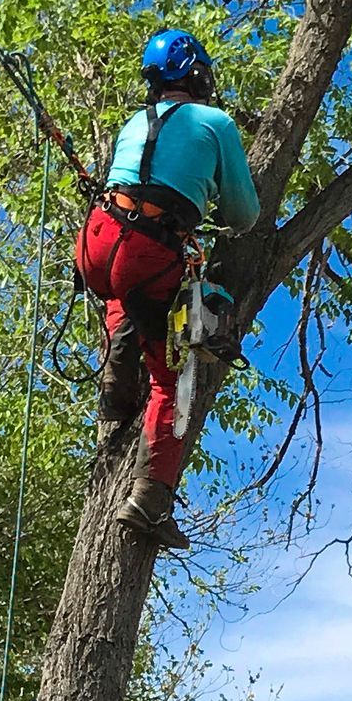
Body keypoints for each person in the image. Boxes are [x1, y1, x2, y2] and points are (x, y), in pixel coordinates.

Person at [75, 29, 259, 548]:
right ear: (198, 74)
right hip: (147, 252)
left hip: (98, 242)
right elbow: (244, 215)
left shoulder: (134, 122)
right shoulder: (216, 123)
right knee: (172, 380)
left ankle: (116, 380)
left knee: (125, 291)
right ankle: (150, 500)